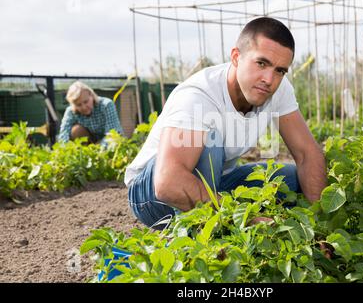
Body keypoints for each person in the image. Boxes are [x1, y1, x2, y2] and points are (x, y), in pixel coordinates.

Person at [125, 17, 327, 229]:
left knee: (293, 179)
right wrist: (245, 219)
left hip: (215, 181)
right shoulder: (199, 96)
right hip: (151, 196)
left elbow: (307, 154)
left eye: (280, 70)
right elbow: (168, 184)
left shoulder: (278, 89)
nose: (269, 78)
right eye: (261, 63)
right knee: (211, 143)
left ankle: (232, 225)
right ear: (236, 57)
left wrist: (320, 225)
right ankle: (196, 237)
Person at [58, 81, 124, 146]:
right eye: (79, 105)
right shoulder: (71, 111)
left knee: (114, 138)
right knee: (76, 130)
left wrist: (97, 150)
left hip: (109, 142)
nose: (83, 107)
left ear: (91, 95)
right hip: (90, 143)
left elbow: (112, 133)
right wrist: (65, 150)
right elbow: (64, 133)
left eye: (86, 102)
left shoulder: (106, 105)